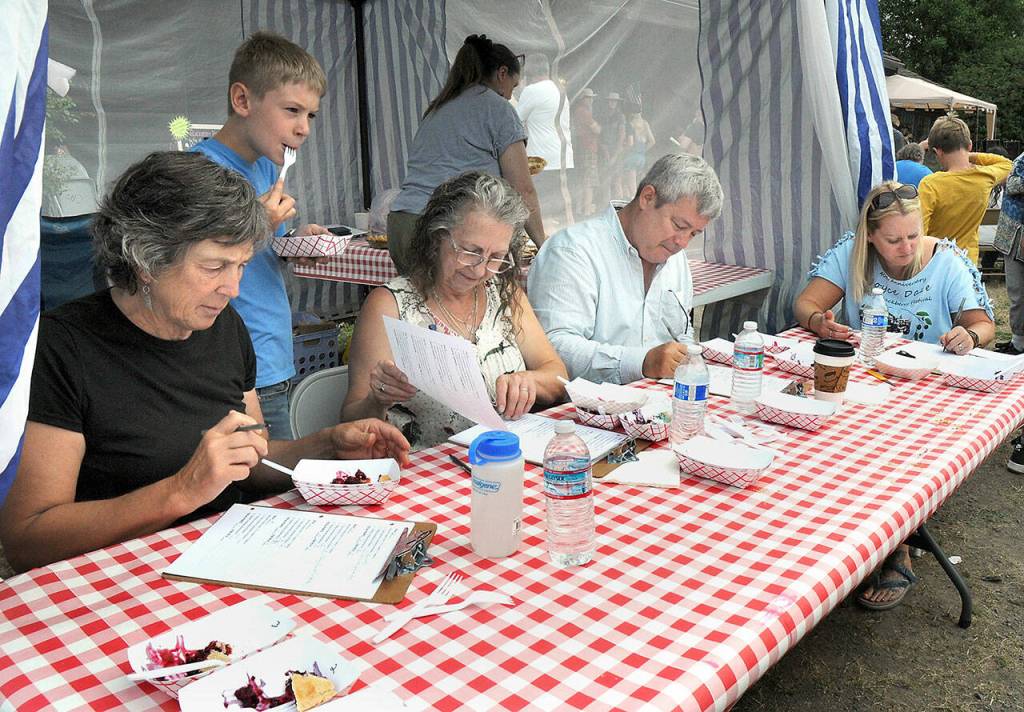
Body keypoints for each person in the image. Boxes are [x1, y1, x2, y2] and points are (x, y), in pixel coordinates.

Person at [0, 153, 410, 572]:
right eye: (214, 266)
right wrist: (181, 491)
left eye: (242, 266)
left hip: (226, 560)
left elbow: (252, 461)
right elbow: (29, 539)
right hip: (118, 582)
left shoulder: (223, 327)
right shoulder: (60, 348)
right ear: (145, 259)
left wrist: (327, 445)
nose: (232, 289)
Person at [794, 180, 995, 610]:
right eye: (893, 240)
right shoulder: (853, 254)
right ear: (870, 237)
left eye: (913, 235)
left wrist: (969, 335)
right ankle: (841, 536)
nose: (906, 247)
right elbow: (807, 303)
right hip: (865, 386)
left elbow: (984, 324)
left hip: (926, 396)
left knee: (893, 454)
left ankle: (898, 545)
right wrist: (819, 321)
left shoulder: (945, 263)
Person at [344, 172, 567, 450]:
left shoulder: (505, 296)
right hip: (422, 471)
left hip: (505, 456)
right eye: (471, 251)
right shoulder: (390, 305)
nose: (481, 269)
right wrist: (377, 398)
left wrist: (530, 380)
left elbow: (557, 375)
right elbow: (350, 420)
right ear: (438, 237)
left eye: (496, 257)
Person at [192, 31, 328, 439]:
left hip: (275, 353)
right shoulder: (200, 173)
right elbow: (196, 269)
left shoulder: (269, 169)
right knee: (257, 485)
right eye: (292, 110)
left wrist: (297, 243)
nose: (303, 128)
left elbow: (270, 248)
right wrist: (260, 225)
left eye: (311, 115)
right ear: (243, 100)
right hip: (231, 367)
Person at [527, 153, 724, 384]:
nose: (682, 242)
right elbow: (555, 348)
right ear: (647, 198)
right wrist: (642, 362)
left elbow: (682, 332)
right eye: (679, 226)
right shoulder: (573, 250)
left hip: (656, 404)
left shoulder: (674, 256)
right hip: (583, 410)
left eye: (694, 233)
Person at [388, 35, 545, 274]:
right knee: (462, 310)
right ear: (502, 73)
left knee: (419, 308)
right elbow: (523, 189)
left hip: (402, 223)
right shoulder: (499, 110)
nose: (509, 96)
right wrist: (544, 246)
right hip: (444, 229)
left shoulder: (438, 108)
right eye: (512, 88)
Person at [918, 116, 1012, 264]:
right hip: (967, 263)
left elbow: (919, 231)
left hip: (935, 262)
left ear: (938, 151)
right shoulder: (984, 177)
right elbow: (1007, 164)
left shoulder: (930, 184)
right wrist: (969, 156)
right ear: (969, 145)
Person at [516, 53, 574, 227]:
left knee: (539, 205)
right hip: (562, 156)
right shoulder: (559, 90)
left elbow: (516, 119)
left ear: (529, 73)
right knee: (555, 205)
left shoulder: (532, 90)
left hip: (539, 158)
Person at [571, 87, 601, 217]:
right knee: (589, 181)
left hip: (581, 148)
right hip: (589, 149)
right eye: (590, 98)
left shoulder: (577, 111)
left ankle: (579, 209)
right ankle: (587, 211)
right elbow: (597, 129)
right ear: (585, 99)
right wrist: (599, 127)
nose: (591, 100)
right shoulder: (585, 112)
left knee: (581, 179)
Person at [622, 97, 656, 196]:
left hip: (632, 155)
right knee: (638, 181)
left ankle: (633, 200)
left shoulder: (630, 124)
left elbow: (630, 143)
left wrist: (624, 151)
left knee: (630, 182)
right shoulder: (645, 124)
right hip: (641, 157)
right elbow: (652, 141)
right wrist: (643, 151)